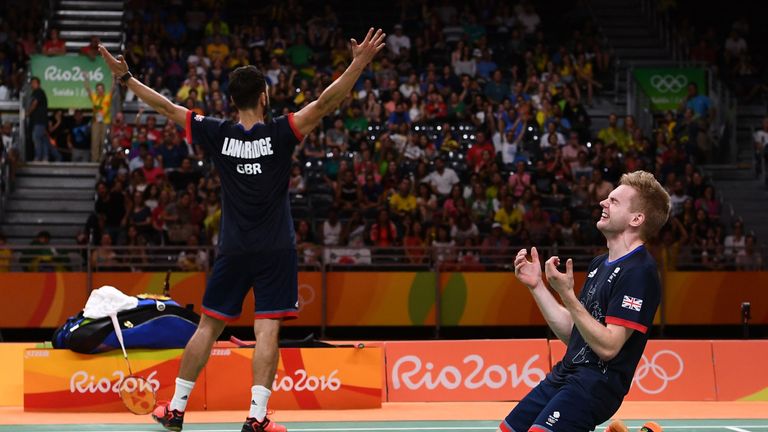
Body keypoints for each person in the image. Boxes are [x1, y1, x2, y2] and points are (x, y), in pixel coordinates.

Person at [99, 26, 385, 432]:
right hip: (275, 249)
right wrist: (359, 63)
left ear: (231, 101)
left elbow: (164, 106)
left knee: (208, 327)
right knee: (266, 330)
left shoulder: (216, 132)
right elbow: (325, 102)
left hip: (233, 248)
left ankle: (177, 408)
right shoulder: (282, 131)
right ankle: (255, 418)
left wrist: (125, 77)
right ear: (264, 96)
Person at [499, 170, 671, 432]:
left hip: (595, 383)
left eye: (614, 201)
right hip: (565, 375)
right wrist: (538, 286)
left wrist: (567, 295)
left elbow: (609, 347)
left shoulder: (639, 271)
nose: (603, 202)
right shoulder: (599, 264)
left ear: (636, 218)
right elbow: (576, 334)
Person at [84, 76, 115, 161]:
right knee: (95, 142)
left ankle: (102, 161)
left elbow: (113, 88)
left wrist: (113, 77)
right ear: (97, 90)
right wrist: (86, 78)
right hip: (96, 122)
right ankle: (94, 160)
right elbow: (88, 89)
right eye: (98, 89)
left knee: (103, 141)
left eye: (101, 89)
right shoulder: (94, 97)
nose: (100, 90)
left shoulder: (107, 97)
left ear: (104, 90)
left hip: (105, 121)